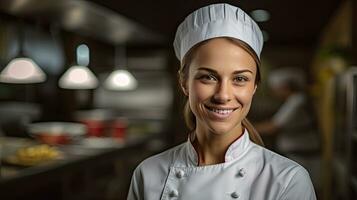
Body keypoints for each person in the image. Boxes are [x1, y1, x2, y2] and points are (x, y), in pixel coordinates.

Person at [127, 3, 316, 200]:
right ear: (184, 82)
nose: (223, 95)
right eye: (208, 77)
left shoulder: (287, 181)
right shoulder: (148, 174)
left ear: (254, 87)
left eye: (240, 79)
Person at [255, 67, 321, 189]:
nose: (274, 93)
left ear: (284, 87)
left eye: (275, 89)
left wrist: (246, 128)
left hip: (305, 157)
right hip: (297, 155)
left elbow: (273, 126)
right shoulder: (293, 100)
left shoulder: (297, 101)